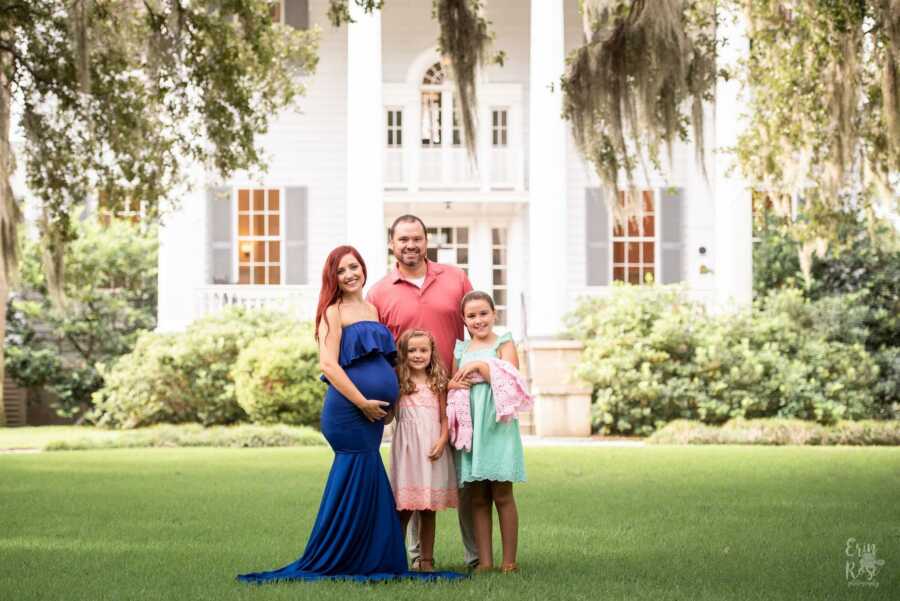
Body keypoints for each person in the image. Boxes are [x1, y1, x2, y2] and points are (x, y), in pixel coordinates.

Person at [237, 246, 463, 583]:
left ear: (363, 268)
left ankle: (366, 555)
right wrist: (363, 402)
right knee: (353, 481)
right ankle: (339, 555)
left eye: (353, 267)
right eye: (341, 271)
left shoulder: (372, 308)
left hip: (373, 416)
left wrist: (387, 407)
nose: (350, 275)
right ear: (334, 278)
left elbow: (384, 360)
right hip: (348, 413)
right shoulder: (333, 312)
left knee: (367, 485)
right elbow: (328, 364)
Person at [367, 215, 478, 569]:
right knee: (416, 476)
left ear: (426, 241)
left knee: (467, 479)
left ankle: (476, 557)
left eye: (416, 238)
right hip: (411, 401)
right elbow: (378, 352)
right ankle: (416, 557)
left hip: (458, 394)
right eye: (403, 239)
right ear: (391, 244)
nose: (410, 245)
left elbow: (476, 327)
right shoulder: (380, 292)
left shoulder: (455, 279)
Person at [449, 290, 526, 574]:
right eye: (471, 316)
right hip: (472, 427)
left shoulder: (504, 343)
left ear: (494, 314)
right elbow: (455, 380)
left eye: (483, 313)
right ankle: (485, 561)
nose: (478, 320)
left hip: (497, 424)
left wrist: (481, 366)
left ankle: (509, 561)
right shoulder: (461, 350)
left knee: (502, 494)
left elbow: (512, 380)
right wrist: (458, 382)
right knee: (478, 497)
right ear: (464, 320)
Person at [388, 329, 459, 572]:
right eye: (412, 350)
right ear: (403, 353)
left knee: (428, 509)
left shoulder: (436, 381)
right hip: (407, 451)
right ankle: (393, 559)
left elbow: (444, 417)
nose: (418, 355)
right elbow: (389, 416)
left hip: (431, 451)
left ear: (432, 353)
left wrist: (442, 441)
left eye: (423, 350)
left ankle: (426, 561)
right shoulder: (398, 381)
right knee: (404, 508)